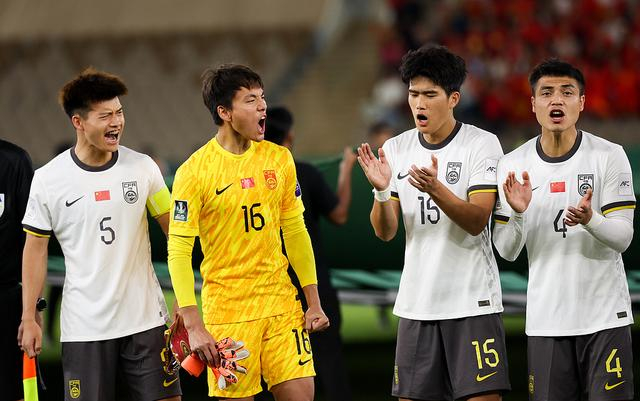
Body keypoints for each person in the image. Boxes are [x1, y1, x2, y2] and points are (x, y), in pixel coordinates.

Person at [167, 64, 330, 401]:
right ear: (224, 112)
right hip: (228, 313)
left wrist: (313, 302)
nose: (263, 106)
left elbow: (295, 231)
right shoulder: (193, 172)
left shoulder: (279, 159)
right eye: (251, 100)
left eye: (262, 98)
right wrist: (194, 324)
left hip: (281, 304)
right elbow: (179, 251)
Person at [357, 45, 511, 401]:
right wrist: (381, 191)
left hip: (471, 301)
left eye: (430, 95)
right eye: (413, 94)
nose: (419, 104)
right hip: (417, 303)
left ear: (453, 98)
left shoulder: (481, 144)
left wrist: (436, 189)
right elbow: (385, 232)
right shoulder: (396, 148)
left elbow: (477, 221)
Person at [19, 68, 181, 401]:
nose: (116, 122)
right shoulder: (48, 180)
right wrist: (29, 316)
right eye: (105, 116)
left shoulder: (143, 168)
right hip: (85, 328)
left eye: (119, 112)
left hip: (146, 321)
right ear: (78, 122)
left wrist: (184, 300)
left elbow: (176, 234)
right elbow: (34, 250)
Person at [493, 59, 635, 401]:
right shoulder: (512, 164)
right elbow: (506, 251)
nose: (556, 100)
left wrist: (591, 219)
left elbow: (623, 238)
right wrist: (518, 213)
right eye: (547, 93)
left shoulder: (609, 156)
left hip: (605, 318)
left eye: (567, 92)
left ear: (581, 102)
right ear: (533, 104)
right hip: (546, 322)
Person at [264, 106, 356, 401]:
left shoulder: (250, 178)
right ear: (290, 136)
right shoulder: (305, 173)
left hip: (270, 287)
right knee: (328, 360)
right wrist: (346, 171)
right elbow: (339, 215)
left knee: (271, 366)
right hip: (313, 284)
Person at [0, 139, 34, 401]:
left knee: (13, 391)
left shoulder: (15, 161)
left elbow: (32, 242)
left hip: (6, 302)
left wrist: (31, 311)